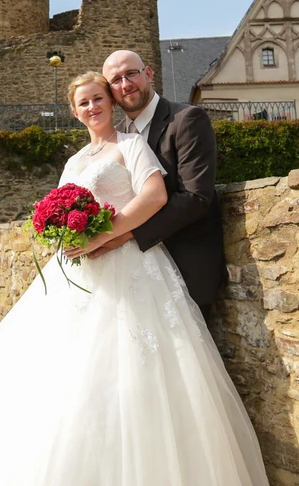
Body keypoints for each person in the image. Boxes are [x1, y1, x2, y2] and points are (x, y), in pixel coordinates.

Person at [0, 73, 268, 486]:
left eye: (99, 99)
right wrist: (65, 234)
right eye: (84, 103)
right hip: (77, 273)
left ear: (110, 102)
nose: (93, 107)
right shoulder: (73, 162)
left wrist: (107, 234)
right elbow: (57, 208)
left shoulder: (132, 145)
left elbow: (156, 197)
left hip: (130, 265)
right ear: (74, 112)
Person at [93, 49, 227, 325]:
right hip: (129, 275)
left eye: (131, 73)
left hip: (185, 266)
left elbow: (195, 197)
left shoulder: (187, 120)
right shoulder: (115, 137)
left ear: (149, 73)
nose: (126, 84)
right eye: (116, 80)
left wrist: (125, 233)